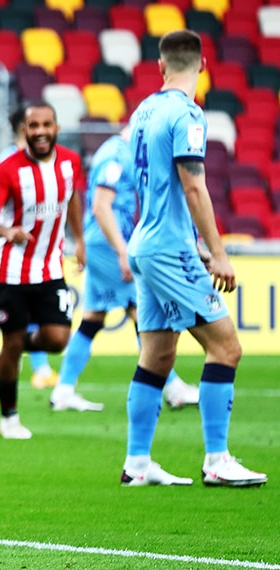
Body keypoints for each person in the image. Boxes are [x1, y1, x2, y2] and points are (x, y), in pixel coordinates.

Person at [119, 29, 265, 487]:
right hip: (167, 248)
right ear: (203, 66)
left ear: (160, 67)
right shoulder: (188, 115)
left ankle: (137, 464)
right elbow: (192, 184)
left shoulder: (143, 111)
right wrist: (217, 253)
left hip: (146, 242)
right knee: (226, 347)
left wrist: (192, 241)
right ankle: (217, 460)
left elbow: (150, 184)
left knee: (158, 355)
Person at [50, 125, 199, 412]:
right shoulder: (116, 156)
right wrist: (121, 250)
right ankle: (173, 386)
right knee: (144, 313)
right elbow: (101, 207)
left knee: (93, 320)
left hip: (102, 243)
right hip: (109, 245)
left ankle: (63, 389)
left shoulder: (121, 152)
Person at [0, 101, 85, 440]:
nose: (40, 131)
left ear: (56, 128)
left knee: (57, 339)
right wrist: (8, 232)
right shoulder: (7, 168)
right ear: (24, 130)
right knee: (11, 345)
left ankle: (13, 344)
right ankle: (9, 418)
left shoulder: (70, 162)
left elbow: (71, 198)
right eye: (33, 126)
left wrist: (79, 239)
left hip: (50, 267)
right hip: (11, 271)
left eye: (46, 125)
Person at [0, 106, 58, 393]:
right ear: (24, 129)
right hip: (5, 251)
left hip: (35, 252)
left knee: (33, 312)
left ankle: (41, 369)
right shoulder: (7, 160)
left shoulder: (42, 162)